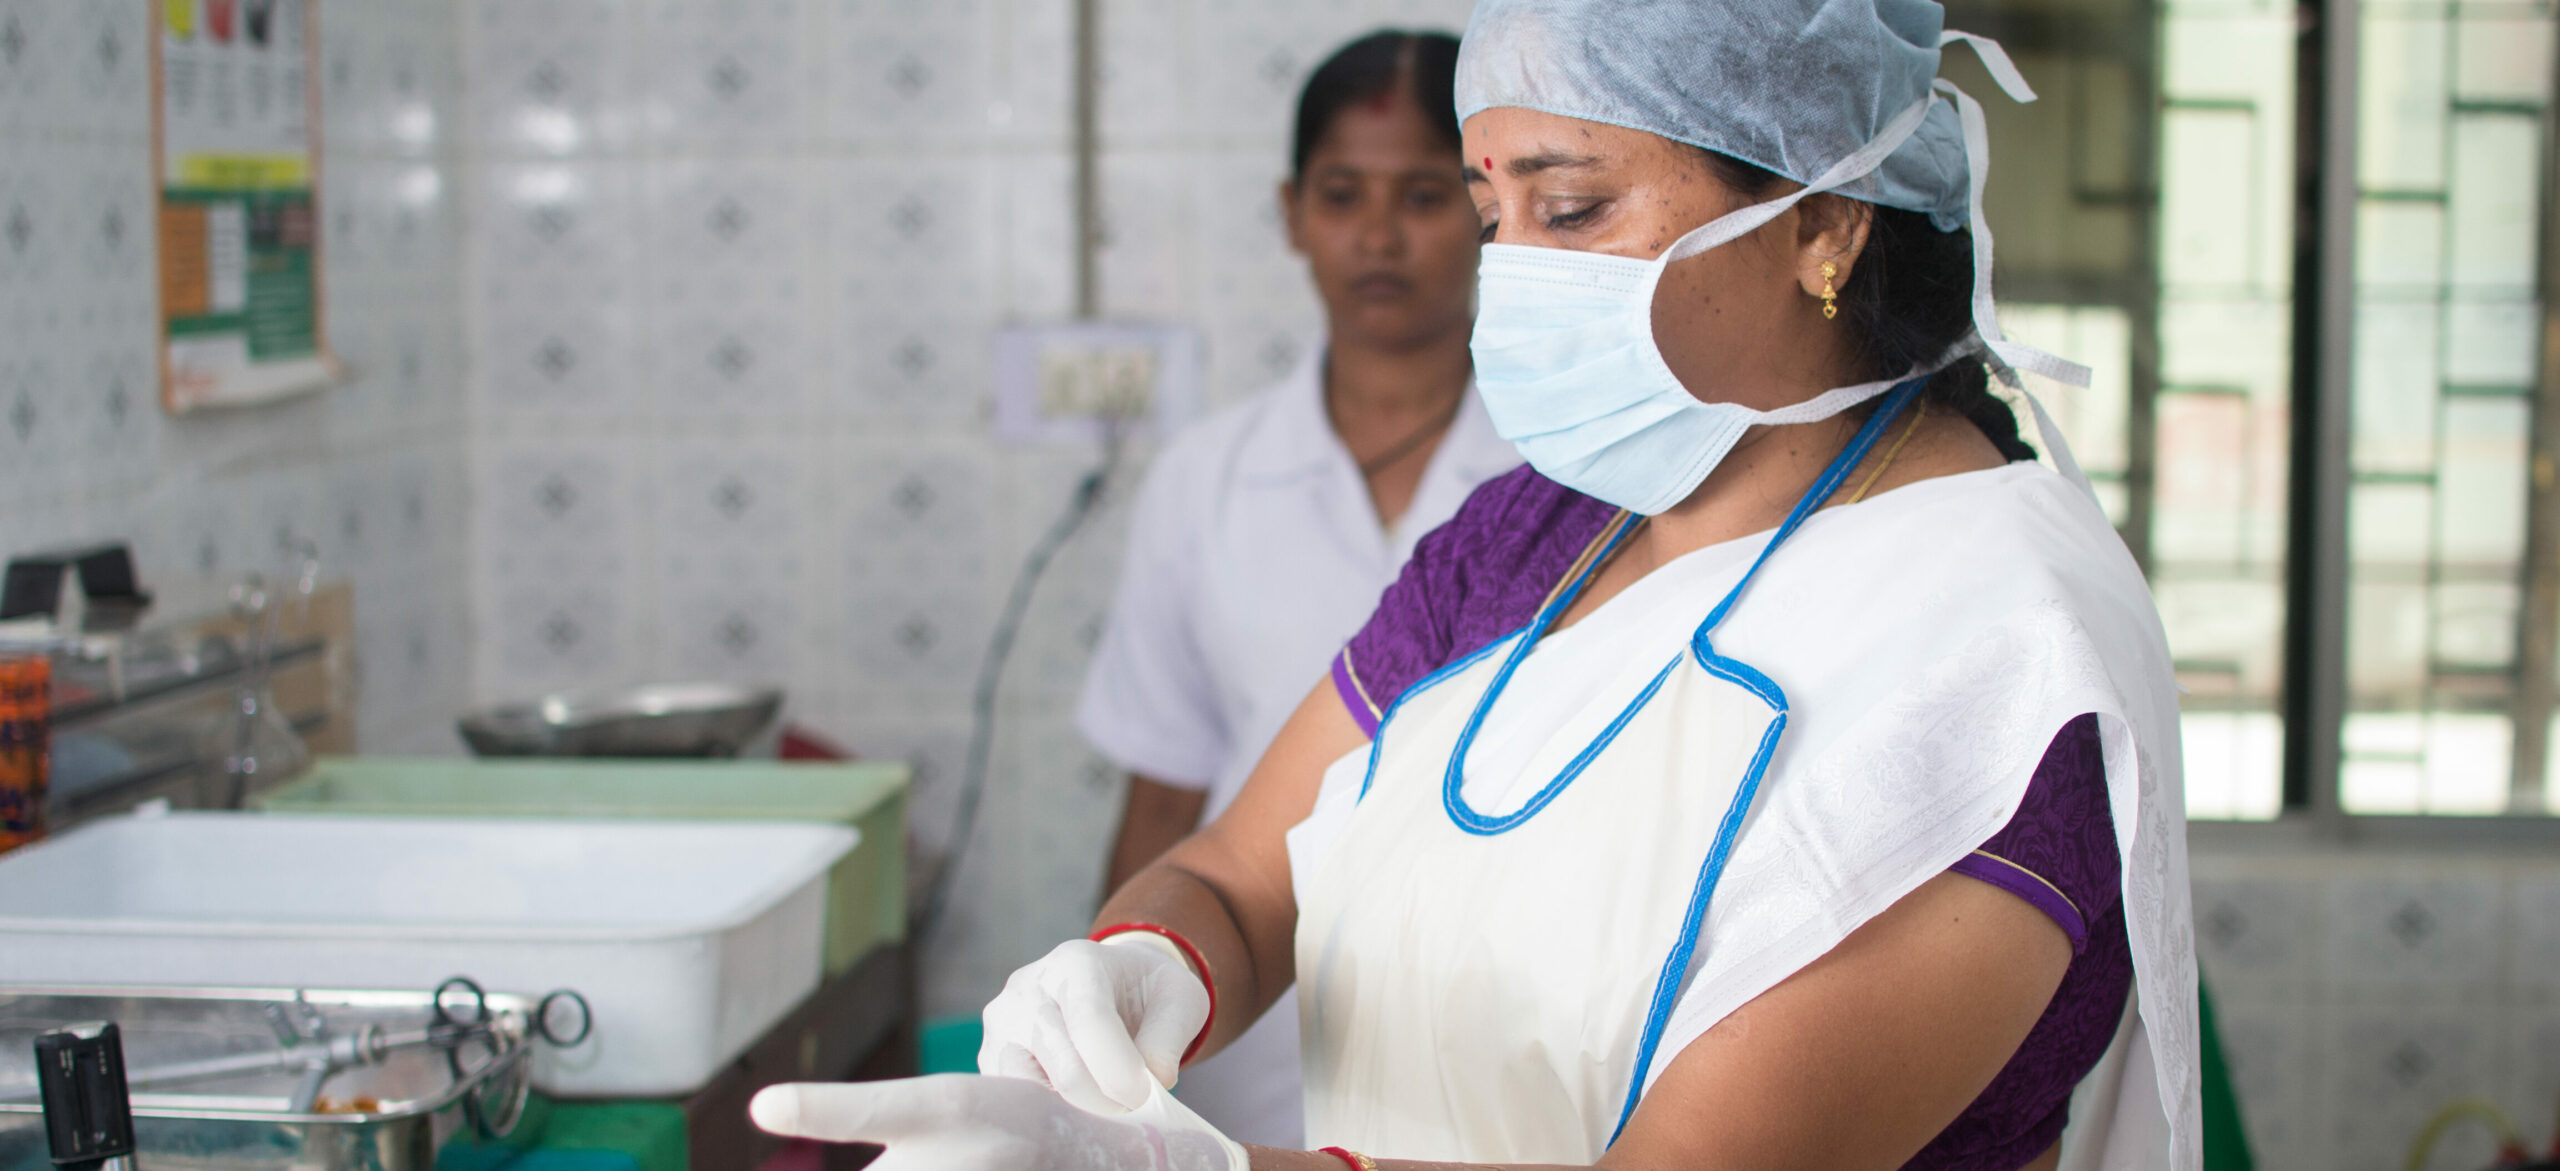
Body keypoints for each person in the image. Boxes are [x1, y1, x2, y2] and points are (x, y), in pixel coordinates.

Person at [752, 1, 2202, 1168]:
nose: (1510, 274)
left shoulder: (2005, 658)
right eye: (1493, 213)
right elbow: (1243, 875)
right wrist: (1149, 962)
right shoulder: (1531, 539)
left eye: (1570, 212)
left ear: (1825, 225)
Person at [1068, 29, 1517, 1148]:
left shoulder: (1566, 478)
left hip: (1507, 1011)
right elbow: (1165, 799)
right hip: (1239, 1028)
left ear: (1484, 208)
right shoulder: (1205, 479)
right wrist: (1101, 1022)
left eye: (1422, 195)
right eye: (1341, 194)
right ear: (1290, 213)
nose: (1376, 236)